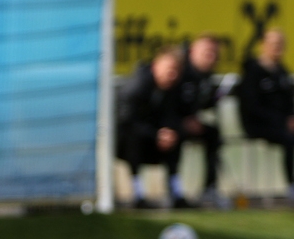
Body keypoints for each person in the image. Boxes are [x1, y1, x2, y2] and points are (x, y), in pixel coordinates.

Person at [116, 46, 190, 208]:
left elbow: (175, 114)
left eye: (176, 71)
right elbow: (126, 120)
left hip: (156, 142)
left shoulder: (174, 88)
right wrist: (155, 134)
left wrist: (169, 132)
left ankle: (176, 191)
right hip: (125, 143)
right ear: (156, 65)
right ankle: (137, 193)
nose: (172, 75)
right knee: (133, 138)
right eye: (169, 69)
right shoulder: (138, 85)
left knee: (178, 135)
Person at [238, 28, 294, 200]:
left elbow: (289, 101)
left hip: (281, 124)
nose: (277, 48)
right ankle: (291, 186)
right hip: (258, 125)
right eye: (273, 44)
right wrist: (281, 121)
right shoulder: (253, 71)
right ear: (263, 45)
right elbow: (251, 106)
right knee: (289, 139)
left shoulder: (282, 72)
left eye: (280, 45)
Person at [177, 34, 229, 207]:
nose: (211, 58)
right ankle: (176, 190)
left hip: (192, 123)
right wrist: (182, 121)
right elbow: (168, 102)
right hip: (170, 123)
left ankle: (210, 188)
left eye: (214, 54)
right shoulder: (180, 71)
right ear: (192, 52)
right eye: (207, 52)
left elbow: (201, 103)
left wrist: (216, 97)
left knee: (213, 133)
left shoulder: (206, 76)